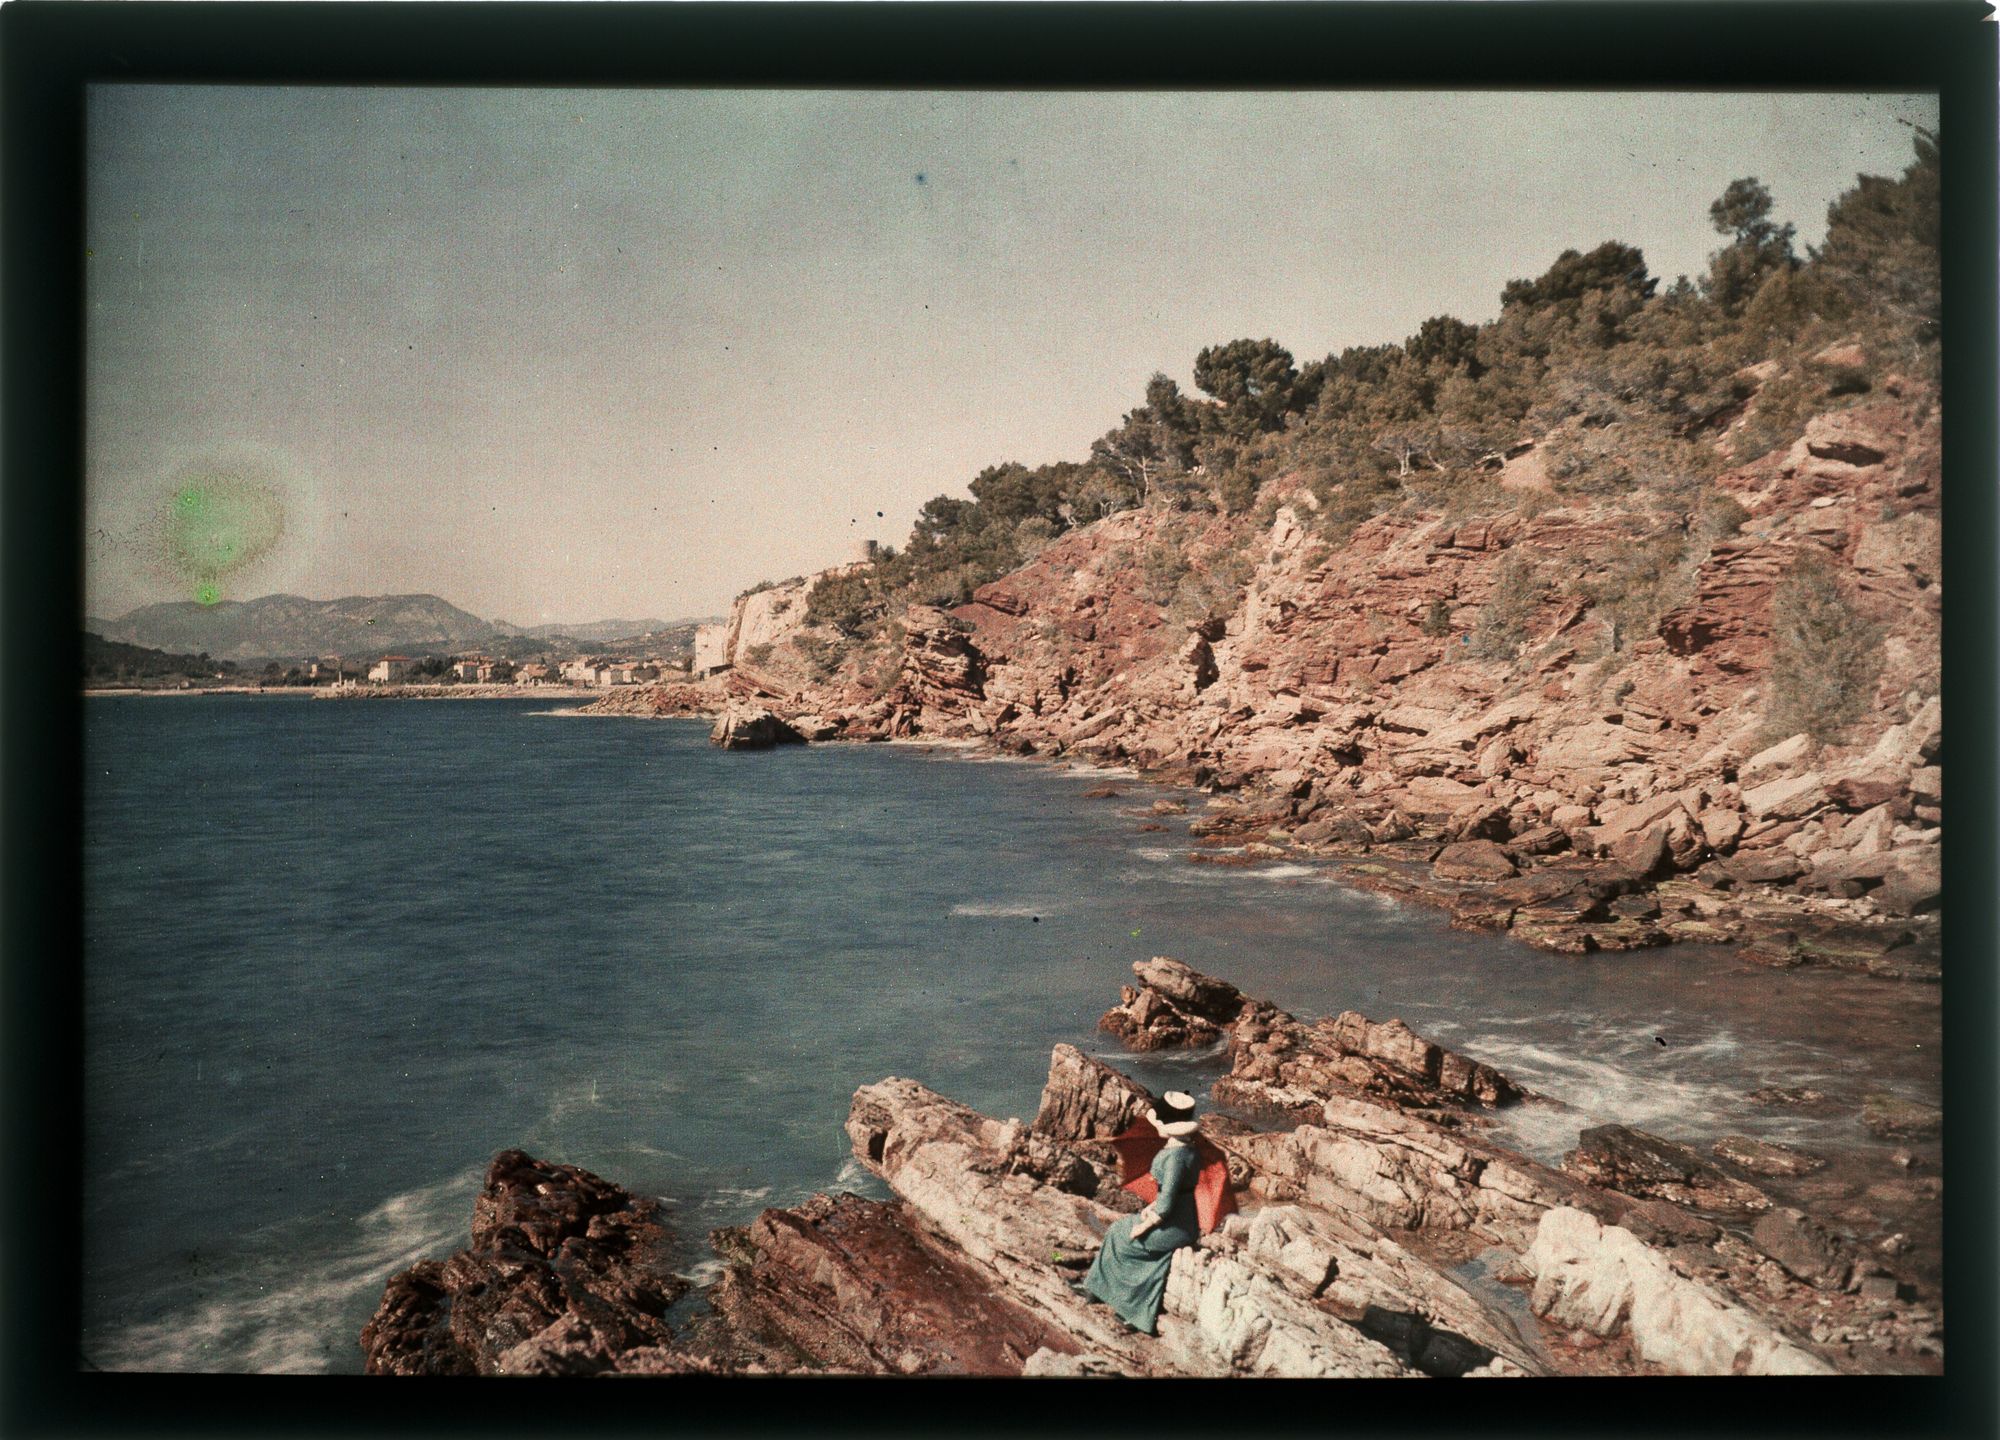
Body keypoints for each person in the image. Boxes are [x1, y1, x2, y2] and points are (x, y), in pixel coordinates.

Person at [1075, 1090, 1203, 1335]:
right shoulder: (1189, 1149)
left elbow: (1166, 1204)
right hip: (1185, 1219)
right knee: (1117, 1231)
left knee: (1121, 1235)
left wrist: (1143, 1226)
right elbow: (1177, 1193)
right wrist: (1151, 1208)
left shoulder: (1175, 1157)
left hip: (1174, 1225)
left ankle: (1121, 1302)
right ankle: (1097, 1289)